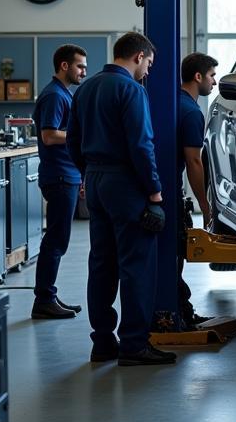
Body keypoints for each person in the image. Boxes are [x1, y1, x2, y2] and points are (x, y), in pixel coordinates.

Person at [67, 31, 176, 366]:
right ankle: (133, 345)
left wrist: (88, 173)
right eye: (149, 64)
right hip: (126, 184)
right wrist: (155, 192)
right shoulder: (130, 89)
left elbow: (72, 139)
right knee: (136, 266)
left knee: (102, 264)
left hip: (96, 181)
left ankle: (102, 343)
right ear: (138, 56)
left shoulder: (86, 88)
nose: (148, 71)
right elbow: (141, 146)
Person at [31, 44, 88, 320]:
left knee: (58, 239)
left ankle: (49, 295)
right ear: (64, 66)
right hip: (59, 176)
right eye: (80, 66)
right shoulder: (55, 95)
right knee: (55, 240)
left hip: (66, 175)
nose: (83, 72)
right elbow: (49, 135)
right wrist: (80, 135)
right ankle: (44, 300)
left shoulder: (63, 94)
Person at [177, 52, 218, 327]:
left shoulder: (171, 102)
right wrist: (205, 206)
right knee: (175, 256)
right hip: (167, 191)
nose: (215, 82)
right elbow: (194, 161)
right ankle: (178, 314)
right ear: (198, 76)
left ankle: (180, 310)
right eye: (213, 75)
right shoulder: (192, 112)